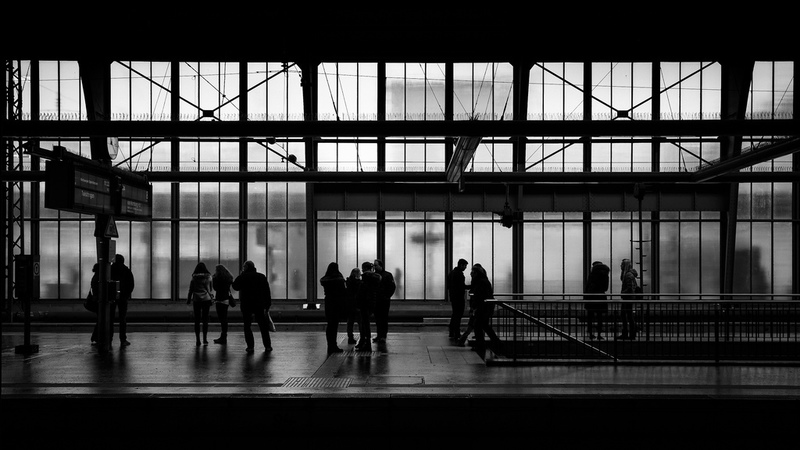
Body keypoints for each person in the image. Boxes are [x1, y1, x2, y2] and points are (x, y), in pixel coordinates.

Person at [232, 260, 273, 353]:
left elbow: (235, 286)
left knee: (247, 326)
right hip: (259, 304)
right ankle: (268, 346)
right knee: (263, 326)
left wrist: (241, 274)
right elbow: (267, 292)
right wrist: (267, 305)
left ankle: (250, 347)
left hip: (247, 305)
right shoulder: (261, 277)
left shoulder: (243, 277)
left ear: (246, 268)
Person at [467, 263, 501, 353]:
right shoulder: (484, 281)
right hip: (486, 307)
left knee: (478, 326)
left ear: (476, 273)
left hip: (483, 308)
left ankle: (481, 346)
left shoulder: (480, 282)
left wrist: (473, 307)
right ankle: (495, 342)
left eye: (472, 272)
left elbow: (478, 296)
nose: (471, 274)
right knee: (484, 325)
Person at [320, 262, 348, 354]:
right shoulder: (339, 279)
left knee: (330, 325)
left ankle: (330, 345)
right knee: (334, 325)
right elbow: (344, 292)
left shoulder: (325, 280)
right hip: (337, 303)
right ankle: (334, 346)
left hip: (328, 302)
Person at [354, 261, 381, 351]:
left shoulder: (366, 277)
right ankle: (365, 342)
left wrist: (358, 302)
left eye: (362, 268)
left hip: (364, 303)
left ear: (365, 268)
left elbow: (361, 292)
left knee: (365, 324)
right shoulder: (375, 278)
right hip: (372, 303)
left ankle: (366, 343)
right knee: (366, 323)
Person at [187, 262, 214, 346]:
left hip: (196, 300)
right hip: (206, 299)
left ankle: (198, 340)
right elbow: (211, 288)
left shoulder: (194, 278)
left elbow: (191, 290)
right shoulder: (209, 277)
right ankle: (205, 339)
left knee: (197, 320)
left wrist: (188, 299)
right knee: (205, 320)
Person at [110, 254, 134, 346]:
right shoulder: (126, 271)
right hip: (123, 297)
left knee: (110, 319)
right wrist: (126, 295)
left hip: (111, 297)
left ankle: (109, 339)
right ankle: (123, 339)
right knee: (122, 319)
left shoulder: (110, 270)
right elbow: (131, 284)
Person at [584, 260, 611, 340]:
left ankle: (591, 334)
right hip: (601, 297)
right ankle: (599, 334)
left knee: (590, 317)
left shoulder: (593, 274)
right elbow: (606, 288)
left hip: (592, 298)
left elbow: (589, 285)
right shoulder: (606, 274)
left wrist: (587, 295)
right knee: (600, 317)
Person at [372, 258, 395, 343]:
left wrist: (386, 296)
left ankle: (382, 335)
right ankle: (380, 335)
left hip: (383, 300)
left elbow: (392, 287)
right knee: (378, 318)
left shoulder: (386, 275)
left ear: (380, 265)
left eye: (375, 265)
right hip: (379, 300)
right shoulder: (384, 275)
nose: (374, 267)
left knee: (383, 318)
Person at [212, 264, 235, 344]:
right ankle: (223, 336)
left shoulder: (217, 278)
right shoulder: (228, 278)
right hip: (226, 300)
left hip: (219, 300)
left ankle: (223, 338)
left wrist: (213, 279)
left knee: (222, 319)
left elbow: (215, 288)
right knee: (224, 319)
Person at [617, 258, 639, 340]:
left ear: (625, 265)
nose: (621, 266)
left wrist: (623, 293)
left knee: (626, 316)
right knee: (628, 316)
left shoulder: (628, 275)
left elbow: (630, 288)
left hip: (627, 298)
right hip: (628, 298)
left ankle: (627, 333)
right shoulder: (629, 274)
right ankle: (630, 333)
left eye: (622, 264)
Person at [447, 258, 469, 339]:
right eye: (465, 266)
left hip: (453, 297)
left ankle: (452, 331)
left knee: (455, 315)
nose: (465, 268)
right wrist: (471, 286)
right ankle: (456, 332)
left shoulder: (452, 273)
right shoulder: (459, 274)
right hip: (459, 297)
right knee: (458, 315)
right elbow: (461, 286)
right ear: (461, 265)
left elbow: (449, 286)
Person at [345, 267, 362, 344]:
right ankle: (362, 338)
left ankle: (350, 337)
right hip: (358, 304)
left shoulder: (348, 282)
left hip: (349, 305)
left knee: (350, 322)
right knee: (360, 322)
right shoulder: (359, 283)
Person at [89, 263, 101, 344]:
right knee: (100, 319)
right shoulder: (98, 278)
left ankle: (95, 337)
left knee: (99, 319)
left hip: (96, 300)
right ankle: (96, 337)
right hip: (98, 301)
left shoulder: (95, 277)